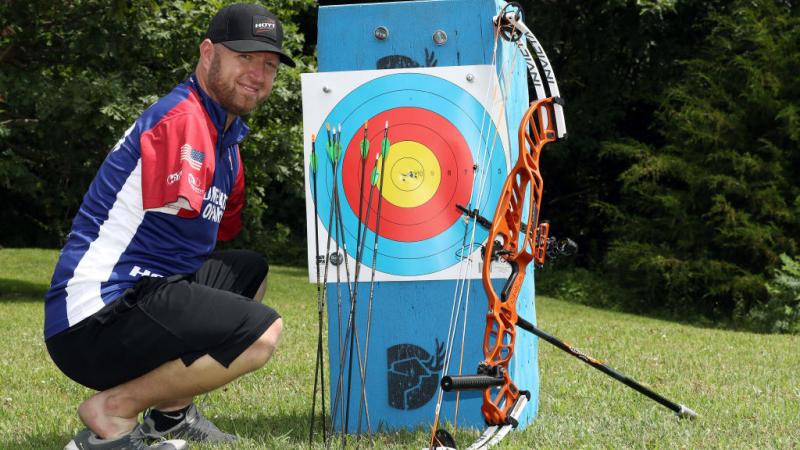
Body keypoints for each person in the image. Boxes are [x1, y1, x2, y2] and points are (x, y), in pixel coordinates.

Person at [43, 3, 296, 449]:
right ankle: (113, 410)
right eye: (244, 57)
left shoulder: (228, 142)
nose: (258, 74)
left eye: (269, 65)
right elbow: (179, 209)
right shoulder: (184, 120)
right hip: (93, 313)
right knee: (261, 333)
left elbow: (219, 232)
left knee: (249, 270)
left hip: (140, 292)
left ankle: (171, 416)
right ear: (207, 53)